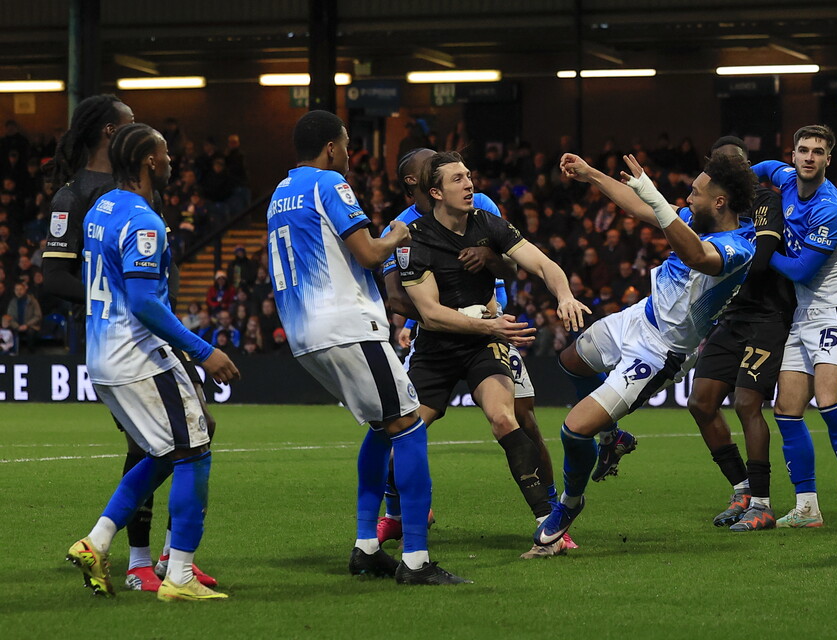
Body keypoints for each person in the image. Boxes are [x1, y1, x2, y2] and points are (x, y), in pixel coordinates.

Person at [267, 110, 466, 585]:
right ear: (332, 148)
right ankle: (416, 559)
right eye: (348, 144)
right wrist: (397, 234)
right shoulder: (330, 184)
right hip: (346, 324)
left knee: (382, 427)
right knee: (410, 425)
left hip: (303, 331)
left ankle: (366, 547)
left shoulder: (278, 193)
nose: (351, 153)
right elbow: (370, 253)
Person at [534, 150, 756, 546]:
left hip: (660, 354)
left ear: (720, 202)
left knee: (572, 431)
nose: (688, 200)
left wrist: (654, 195)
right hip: (638, 318)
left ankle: (569, 502)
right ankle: (613, 437)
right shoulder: (693, 219)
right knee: (571, 362)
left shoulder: (741, 245)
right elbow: (639, 205)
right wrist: (591, 174)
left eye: (695, 193)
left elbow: (698, 256)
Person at [42, 95, 219, 592]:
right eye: (133, 127)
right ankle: (160, 565)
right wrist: (202, 348)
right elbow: (62, 279)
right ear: (117, 139)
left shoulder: (108, 204)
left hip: (132, 342)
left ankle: (110, 545)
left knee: (167, 446)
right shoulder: (84, 199)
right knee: (184, 444)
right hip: (133, 344)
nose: (169, 160)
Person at [378, 148, 577, 558]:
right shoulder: (412, 238)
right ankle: (404, 515)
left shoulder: (487, 221)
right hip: (439, 346)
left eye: (469, 176)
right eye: (458, 179)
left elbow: (540, 264)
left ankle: (549, 525)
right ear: (434, 191)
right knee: (402, 436)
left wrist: (565, 294)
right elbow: (429, 315)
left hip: (485, 340)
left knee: (507, 418)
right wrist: (489, 324)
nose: (469, 184)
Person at [753, 124, 837, 531]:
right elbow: (766, 167)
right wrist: (739, 185)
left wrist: (760, 247)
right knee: (786, 411)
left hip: (835, 310)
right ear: (794, 153)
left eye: (817, 152)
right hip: (803, 315)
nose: (808, 157)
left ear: (828, 159)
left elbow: (802, 271)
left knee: (829, 403)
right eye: (803, 150)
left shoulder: (830, 208)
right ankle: (807, 508)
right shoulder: (785, 179)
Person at [685, 137, 795, 532]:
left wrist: (720, 259)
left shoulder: (765, 201)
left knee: (748, 402)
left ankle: (762, 505)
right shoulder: (712, 207)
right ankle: (743, 489)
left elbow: (762, 261)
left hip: (767, 315)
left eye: (739, 164)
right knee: (700, 402)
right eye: (723, 165)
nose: (733, 171)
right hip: (731, 316)